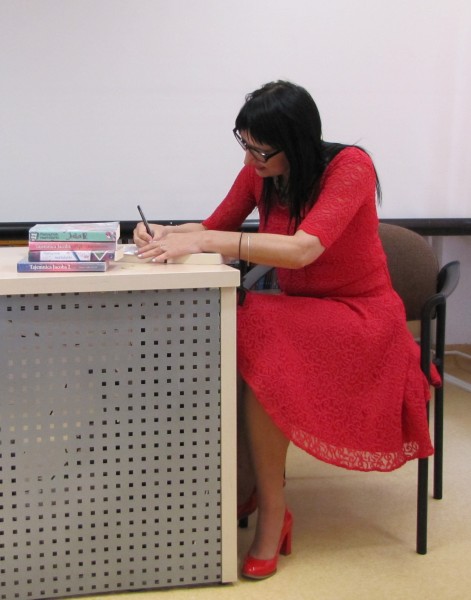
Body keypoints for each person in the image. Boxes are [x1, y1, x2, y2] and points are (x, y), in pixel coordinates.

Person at [133, 80, 437, 580]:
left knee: (255, 325)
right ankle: (241, 486)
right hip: (302, 314)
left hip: (361, 317)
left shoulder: (350, 167)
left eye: (260, 150)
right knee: (243, 324)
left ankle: (272, 513)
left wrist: (206, 241)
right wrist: (165, 233)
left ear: (294, 142)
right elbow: (213, 226)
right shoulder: (262, 171)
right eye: (244, 145)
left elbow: (301, 250)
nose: (249, 158)